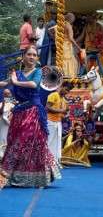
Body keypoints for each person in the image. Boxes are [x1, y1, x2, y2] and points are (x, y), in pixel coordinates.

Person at [0, 46, 61, 188]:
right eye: (29, 54)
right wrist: (9, 82)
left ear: (37, 58)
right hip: (19, 113)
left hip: (33, 111)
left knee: (29, 142)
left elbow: (34, 85)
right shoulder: (18, 73)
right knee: (15, 142)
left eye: (34, 55)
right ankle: (16, 176)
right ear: (24, 56)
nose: (32, 57)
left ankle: (40, 176)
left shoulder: (38, 72)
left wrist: (15, 83)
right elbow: (5, 83)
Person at [46, 82, 72, 164]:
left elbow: (61, 113)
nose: (66, 92)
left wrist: (65, 115)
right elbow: (47, 107)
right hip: (50, 121)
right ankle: (46, 161)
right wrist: (61, 111)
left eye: (68, 91)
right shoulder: (53, 95)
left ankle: (54, 161)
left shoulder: (63, 99)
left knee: (57, 142)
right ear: (62, 87)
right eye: (66, 90)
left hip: (58, 122)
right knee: (49, 141)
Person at [63, 13, 81, 77]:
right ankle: (69, 76)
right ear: (71, 19)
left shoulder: (62, 24)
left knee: (64, 60)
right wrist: (78, 47)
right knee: (72, 61)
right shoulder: (68, 26)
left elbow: (51, 30)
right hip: (67, 45)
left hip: (62, 44)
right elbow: (71, 38)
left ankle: (64, 74)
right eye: (74, 18)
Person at [0, 90, 14, 154]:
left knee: (5, 138)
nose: (6, 95)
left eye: (8, 94)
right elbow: (1, 113)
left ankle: (3, 153)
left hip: (10, 124)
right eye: (5, 94)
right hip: (2, 123)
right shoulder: (1, 103)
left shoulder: (14, 104)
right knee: (2, 137)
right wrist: (3, 104)